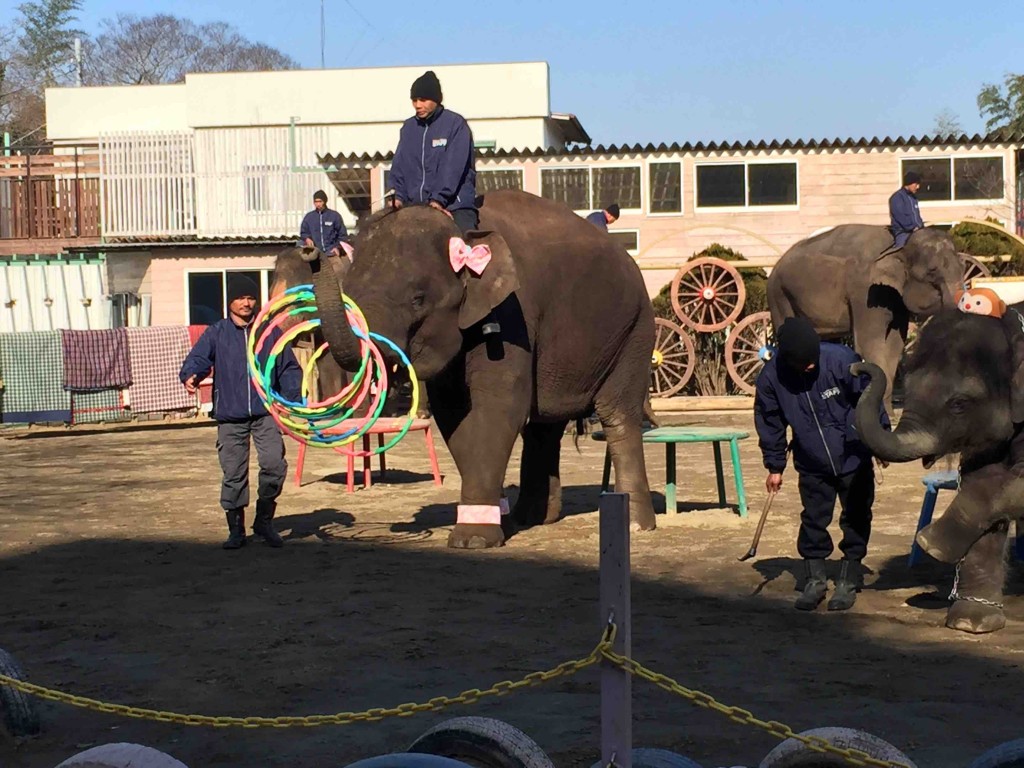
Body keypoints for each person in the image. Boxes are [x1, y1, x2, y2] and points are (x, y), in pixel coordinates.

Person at [753, 317, 890, 612]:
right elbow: (770, 423)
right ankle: (814, 579)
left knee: (856, 516)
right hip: (811, 460)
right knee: (814, 519)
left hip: (853, 454)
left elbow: (870, 400)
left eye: (813, 360)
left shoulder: (841, 361)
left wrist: (880, 441)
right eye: (803, 363)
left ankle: (849, 577)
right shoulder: (770, 379)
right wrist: (774, 466)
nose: (811, 367)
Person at [180, 273, 301, 551]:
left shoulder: (269, 332)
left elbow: (289, 368)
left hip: (265, 412)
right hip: (230, 415)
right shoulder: (217, 333)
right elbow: (197, 359)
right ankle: (236, 530)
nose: (246, 303)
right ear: (230, 302)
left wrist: (292, 400)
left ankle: (264, 521)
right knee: (234, 473)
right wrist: (191, 375)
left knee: (274, 465)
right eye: (240, 298)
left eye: (250, 297)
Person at [388, 70, 479, 234]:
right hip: (416, 207)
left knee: (464, 247)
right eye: (414, 100)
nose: (417, 105)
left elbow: (453, 167)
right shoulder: (408, 128)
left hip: (454, 204)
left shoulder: (455, 125)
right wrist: (398, 196)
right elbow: (399, 166)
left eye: (423, 100)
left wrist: (439, 199)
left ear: (436, 100)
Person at [300, 190, 349, 256]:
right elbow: (303, 232)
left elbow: (342, 235)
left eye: (320, 201)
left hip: (331, 253)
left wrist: (337, 247)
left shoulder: (334, 216)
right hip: (315, 253)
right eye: (316, 202)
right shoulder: (309, 217)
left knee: (338, 265)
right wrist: (307, 239)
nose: (318, 204)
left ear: (325, 201)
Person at [888, 171, 924, 249]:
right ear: (909, 183)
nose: (918, 187)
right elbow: (900, 217)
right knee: (903, 251)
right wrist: (912, 227)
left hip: (917, 231)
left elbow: (917, 216)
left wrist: (920, 225)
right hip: (903, 233)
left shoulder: (913, 198)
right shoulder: (897, 198)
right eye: (916, 184)